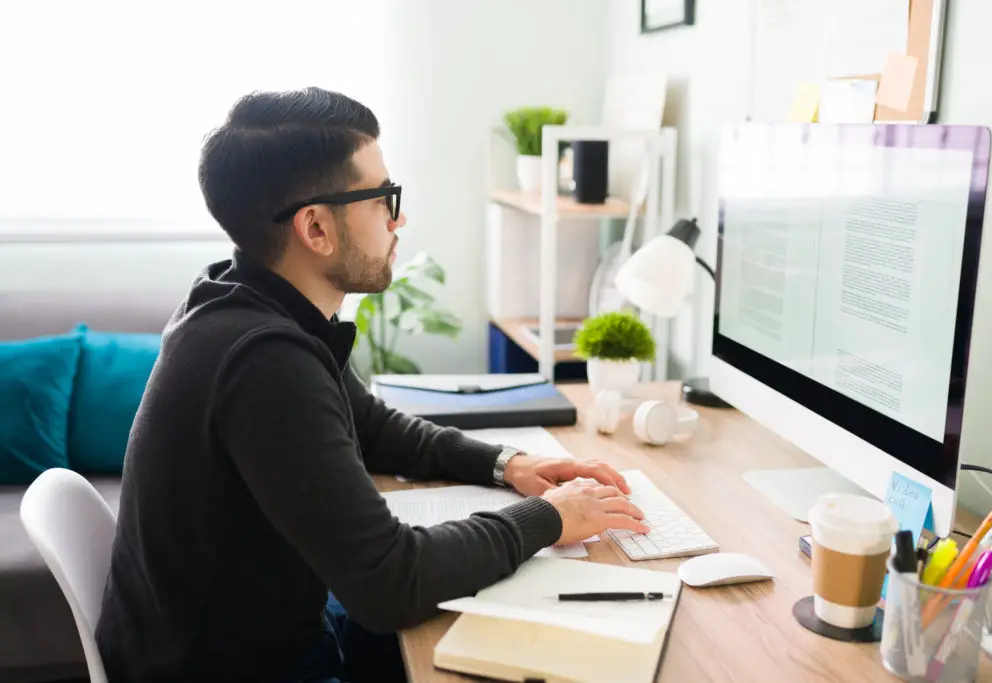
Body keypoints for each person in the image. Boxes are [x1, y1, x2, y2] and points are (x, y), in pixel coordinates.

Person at [94, 87, 650, 683]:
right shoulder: (263, 362)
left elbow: (371, 423)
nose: (398, 217)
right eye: (384, 198)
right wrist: (548, 518)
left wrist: (508, 465)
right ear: (315, 228)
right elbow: (391, 583)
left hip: (244, 631)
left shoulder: (251, 302)